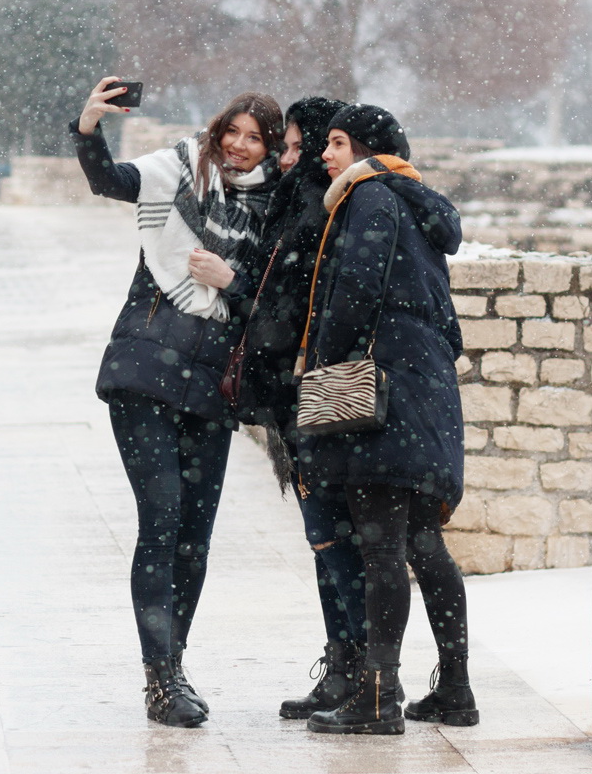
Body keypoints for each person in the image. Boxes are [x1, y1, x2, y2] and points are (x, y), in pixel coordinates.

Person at [69, 77, 282, 728]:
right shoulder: (178, 171)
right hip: (144, 371)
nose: (239, 146)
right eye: (232, 132)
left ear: (271, 148)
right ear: (217, 130)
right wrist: (88, 129)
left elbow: (273, 305)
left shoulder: (274, 210)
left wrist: (231, 279)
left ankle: (174, 665)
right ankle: (159, 678)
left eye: (255, 138)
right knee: (162, 520)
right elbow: (110, 181)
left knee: (195, 537)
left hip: (212, 390)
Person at [286, 104, 475, 735]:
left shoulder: (368, 196)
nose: (326, 154)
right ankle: (455, 688)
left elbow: (355, 291)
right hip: (426, 386)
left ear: (367, 150)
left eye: (338, 143)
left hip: (383, 393)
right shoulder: (417, 202)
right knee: (423, 542)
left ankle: (377, 698)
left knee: (382, 546)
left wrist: (322, 364)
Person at [232, 97, 378, 719]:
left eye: (300, 146)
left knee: (334, 537)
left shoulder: (320, 209)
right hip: (298, 392)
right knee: (326, 540)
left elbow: (294, 304)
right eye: (287, 147)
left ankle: (361, 672)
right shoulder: (299, 203)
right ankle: (345, 665)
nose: (289, 158)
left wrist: (233, 287)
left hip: (316, 392)